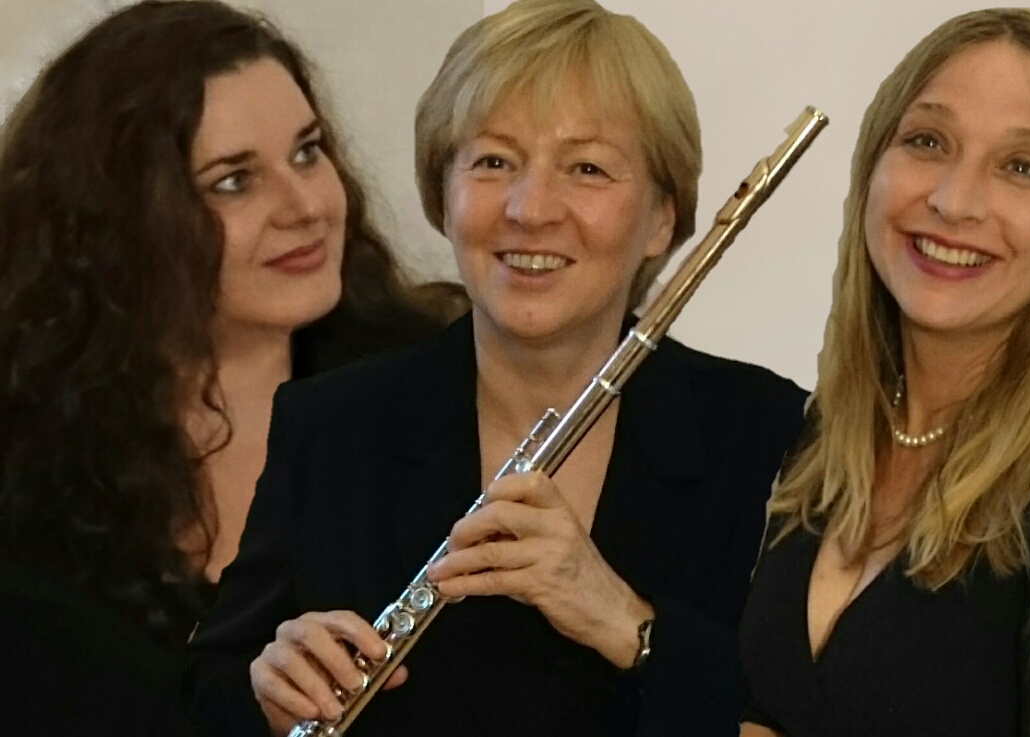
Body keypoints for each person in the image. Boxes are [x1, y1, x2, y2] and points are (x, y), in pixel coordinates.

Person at [185, 1, 808, 735]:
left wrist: (631, 626)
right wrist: (262, 693)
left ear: (661, 218)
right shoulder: (331, 426)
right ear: (442, 195)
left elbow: (804, 711)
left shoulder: (770, 435)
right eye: (493, 162)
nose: (530, 208)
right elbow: (203, 701)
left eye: (587, 167)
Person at [0, 1, 462, 733]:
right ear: (119, 224)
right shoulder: (27, 488)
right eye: (234, 181)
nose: (306, 206)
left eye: (307, 152)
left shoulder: (442, 390)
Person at [738, 8, 1030, 737]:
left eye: (1022, 167)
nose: (953, 201)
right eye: (927, 141)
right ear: (872, 168)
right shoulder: (831, 438)